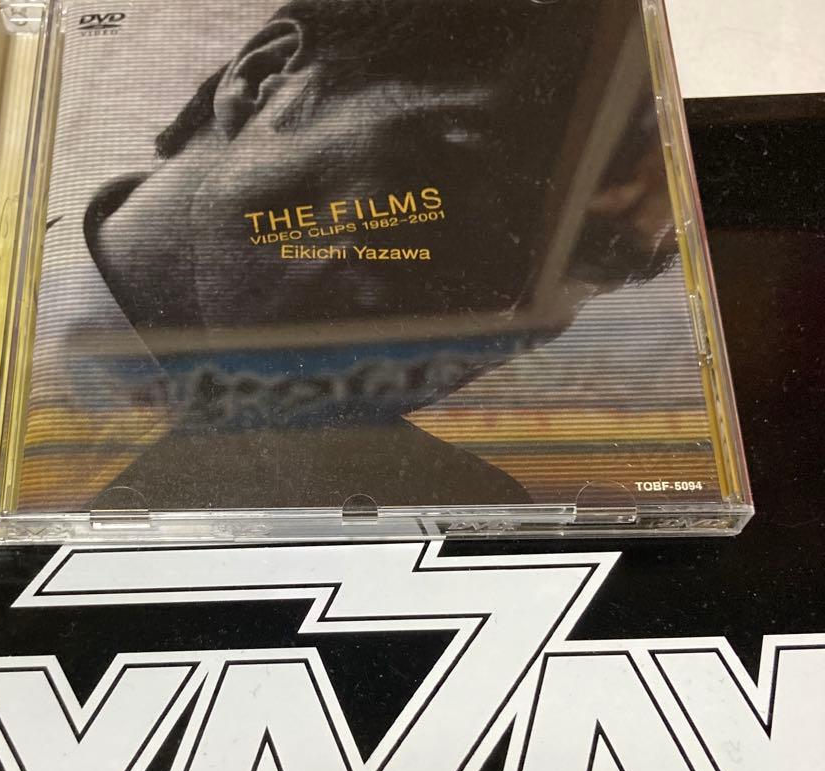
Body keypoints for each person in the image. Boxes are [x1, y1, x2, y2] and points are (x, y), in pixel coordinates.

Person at [81, 0, 677, 511]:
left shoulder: (463, 506)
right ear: (265, 79)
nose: (504, 307)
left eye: (595, 261)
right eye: (474, 181)